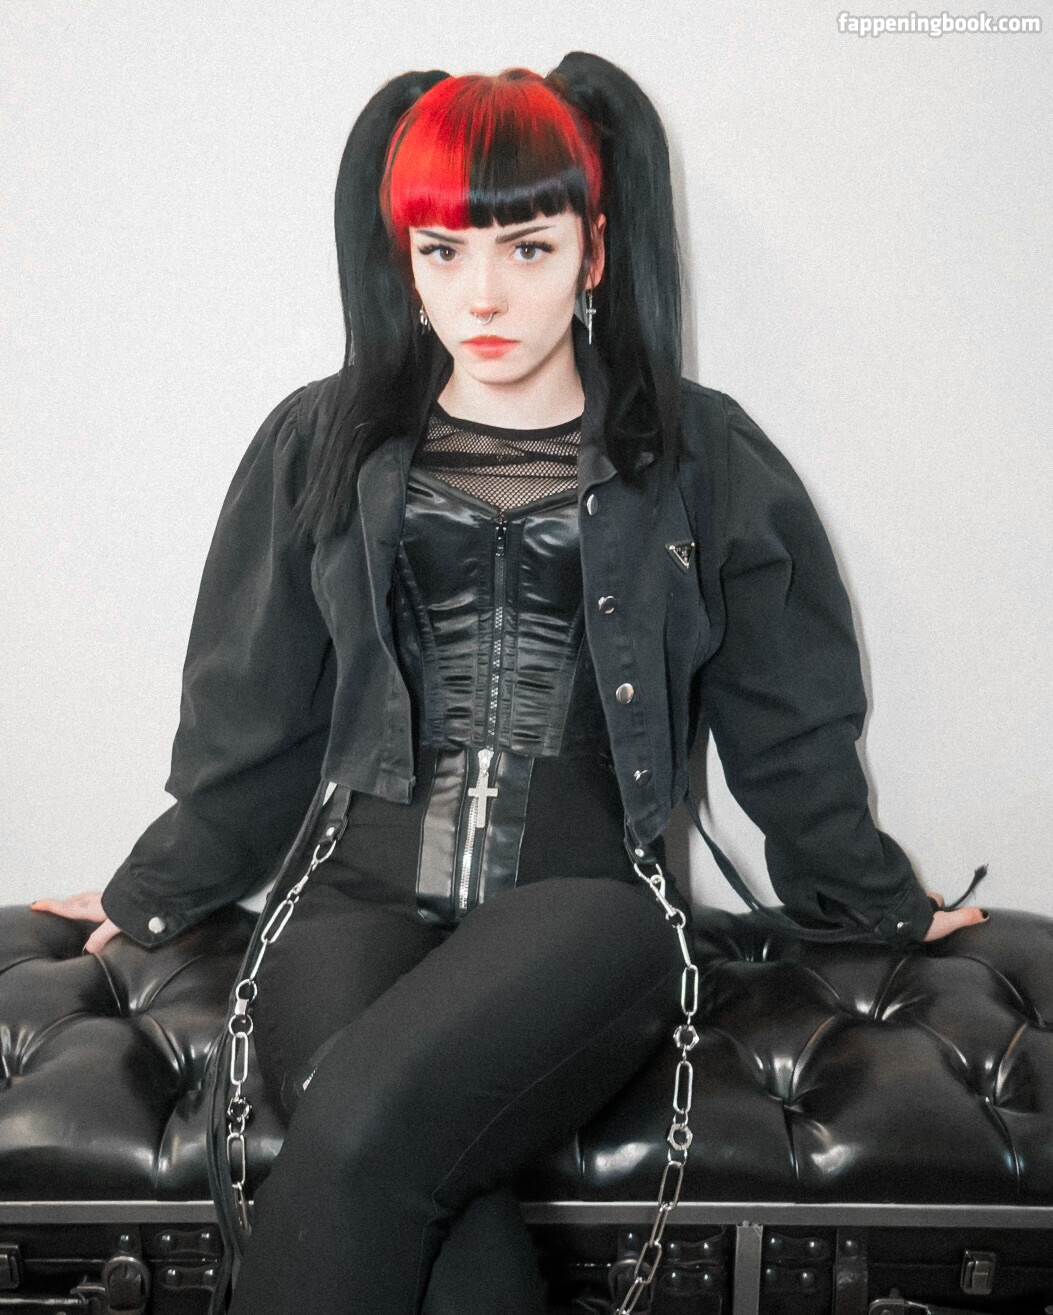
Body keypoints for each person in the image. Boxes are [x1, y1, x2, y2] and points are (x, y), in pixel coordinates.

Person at [30, 53, 986, 1315]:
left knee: (366, 1119)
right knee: (409, 1162)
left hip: (588, 902)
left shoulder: (701, 454)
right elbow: (249, 716)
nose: (480, 293)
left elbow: (789, 718)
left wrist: (868, 896)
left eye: (527, 248)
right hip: (350, 898)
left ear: (594, 254)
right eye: (442, 251)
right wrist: (155, 891)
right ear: (406, 259)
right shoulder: (321, 440)